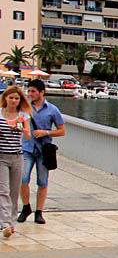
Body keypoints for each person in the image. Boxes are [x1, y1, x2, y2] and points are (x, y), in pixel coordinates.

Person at [18, 80, 65, 225]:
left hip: (44, 151)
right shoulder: (25, 109)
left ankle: (39, 212)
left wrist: (46, 132)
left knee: (42, 182)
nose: (30, 94)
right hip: (27, 148)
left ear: (41, 92)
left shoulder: (52, 110)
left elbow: (61, 131)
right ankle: (26, 207)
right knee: (23, 179)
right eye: (29, 91)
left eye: (33, 91)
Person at [0, 86, 32, 238]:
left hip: (17, 156)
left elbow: (27, 136)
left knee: (14, 192)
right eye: (11, 97)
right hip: (1, 156)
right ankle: (5, 223)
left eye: (16, 98)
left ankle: (11, 222)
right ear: (5, 98)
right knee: (3, 191)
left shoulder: (23, 115)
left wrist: (25, 131)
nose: (13, 101)